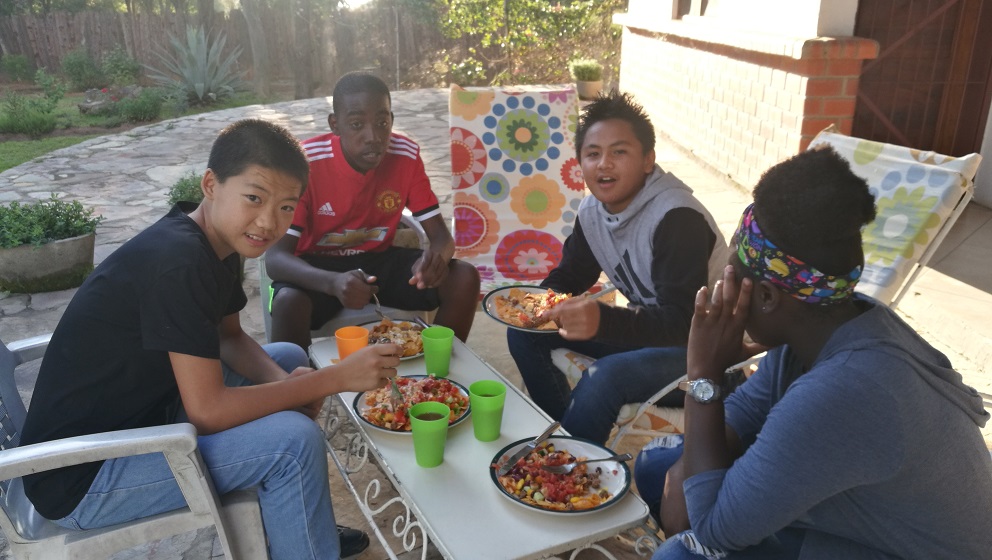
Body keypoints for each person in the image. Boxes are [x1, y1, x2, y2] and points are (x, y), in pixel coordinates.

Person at [18, 119, 400, 560]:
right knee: (294, 443)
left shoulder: (215, 241)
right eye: (254, 198)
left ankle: (300, 530)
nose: (267, 222)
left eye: (286, 207)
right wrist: (331, 379)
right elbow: (209, 410)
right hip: (83, 475)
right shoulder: (179, 262)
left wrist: (286, 385)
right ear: (211, 185)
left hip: (146, 414)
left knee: (285, 356)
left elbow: (229, 338)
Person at [637, 147, 992, 559]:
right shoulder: (824, 324)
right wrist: (689, 475)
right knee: (657, 467)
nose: (722, 287)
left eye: (731, 275)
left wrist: (704, 372)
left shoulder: (844, 388)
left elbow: (711, 528)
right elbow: (744, 413)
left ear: (767, 297)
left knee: (681, 555)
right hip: (869, 530)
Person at [506, 90, 728, 445]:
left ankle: (570, 462)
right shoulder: (593, 212)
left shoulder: (677, 218)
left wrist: (603, 320)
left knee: (605, 377)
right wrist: (539, 303)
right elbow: (572, 274)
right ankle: (563, 439)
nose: (604, 164)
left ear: (647, 160)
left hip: (705, 355)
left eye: (619, 152)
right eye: (593, 154)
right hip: (648, 337)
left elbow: (682, 322)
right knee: (524, 331)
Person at [265, 72, 480, 350]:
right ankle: (296, 378)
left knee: (463, 278)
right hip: (317, 267)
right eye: (357, 124)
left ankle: (439, 369)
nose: (373, 137)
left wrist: (433, 262)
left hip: (378, 262)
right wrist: (332, 283)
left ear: (392, 120)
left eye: (382, 122)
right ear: (335, 125)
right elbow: (276, 259)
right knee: (287, 302)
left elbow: (441, 238)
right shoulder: (306, 163)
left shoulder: (405, 155)